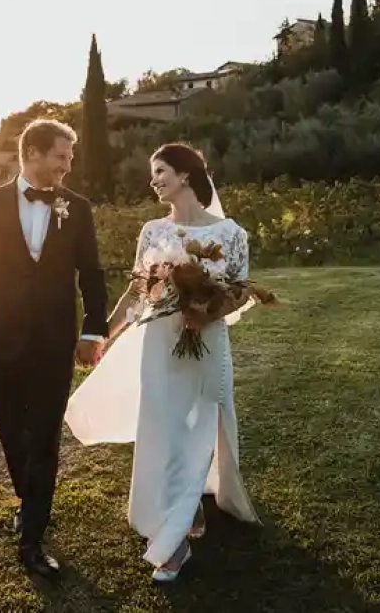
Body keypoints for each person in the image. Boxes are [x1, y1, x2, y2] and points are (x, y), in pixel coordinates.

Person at [64, 142, 260, 583]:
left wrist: (207, 311)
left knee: (201, 424)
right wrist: (101, 337)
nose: (153, 180)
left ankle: (189, 507)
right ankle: (175, 540)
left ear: (186, 175)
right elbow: (136, 293)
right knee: (165, 430)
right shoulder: (153, 232)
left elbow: (241, 290)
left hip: (207, 341)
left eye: (160, 171)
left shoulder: (231, 233)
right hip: (158, 344)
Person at [0, 118, 108, 578]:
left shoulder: (77, 208)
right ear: (34, 154)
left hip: (54, 340)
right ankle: (30, 499)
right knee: (12, 432)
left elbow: (93, 274)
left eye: (69, 158)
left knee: (42, 436)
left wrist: (91, 330)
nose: (67, 167)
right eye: (61, 157)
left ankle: (32, 539)